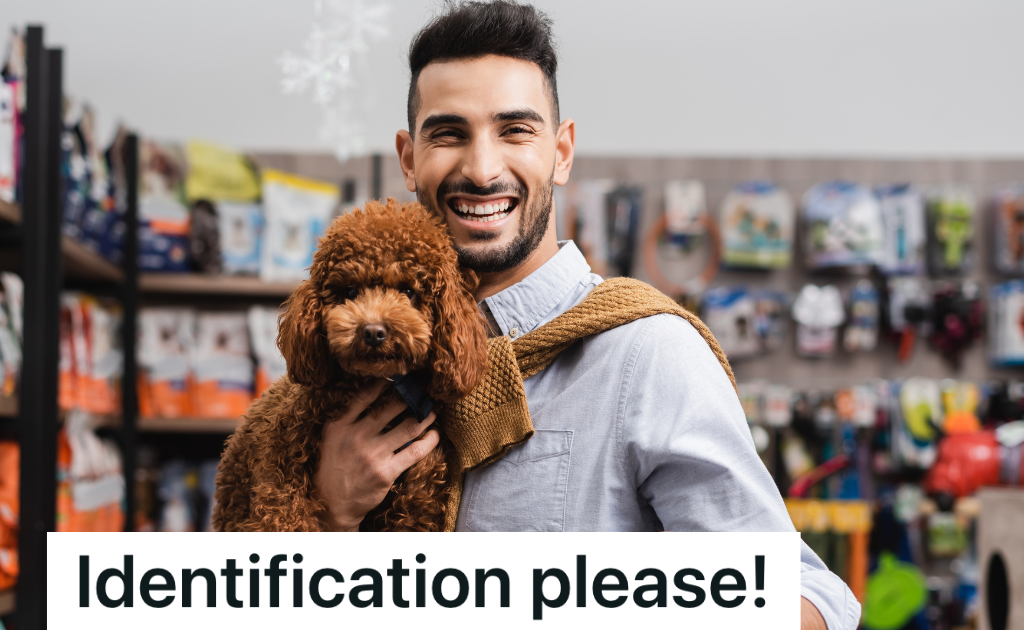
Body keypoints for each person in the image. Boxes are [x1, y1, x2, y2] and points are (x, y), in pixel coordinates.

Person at [310, 2, 859, 628]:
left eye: (515, 131)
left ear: (562, 152)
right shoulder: (366, 364)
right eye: (449, 133)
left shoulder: (647, 354)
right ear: (409, 159)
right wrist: (331, 514)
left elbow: (812, 602)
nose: (483, 169)